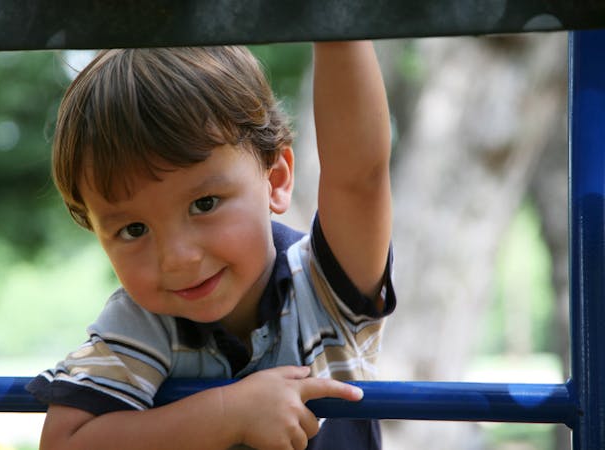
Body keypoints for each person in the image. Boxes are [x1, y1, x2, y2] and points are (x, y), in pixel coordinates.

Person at [27, 40, 395, 450]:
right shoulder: (143, 322)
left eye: (204, 204)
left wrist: (339, 30)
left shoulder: (324, 286)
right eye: (133, 230)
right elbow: (64, 443)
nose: (178, 258)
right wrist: (227, 414)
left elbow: (359, 178)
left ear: (275, 180)